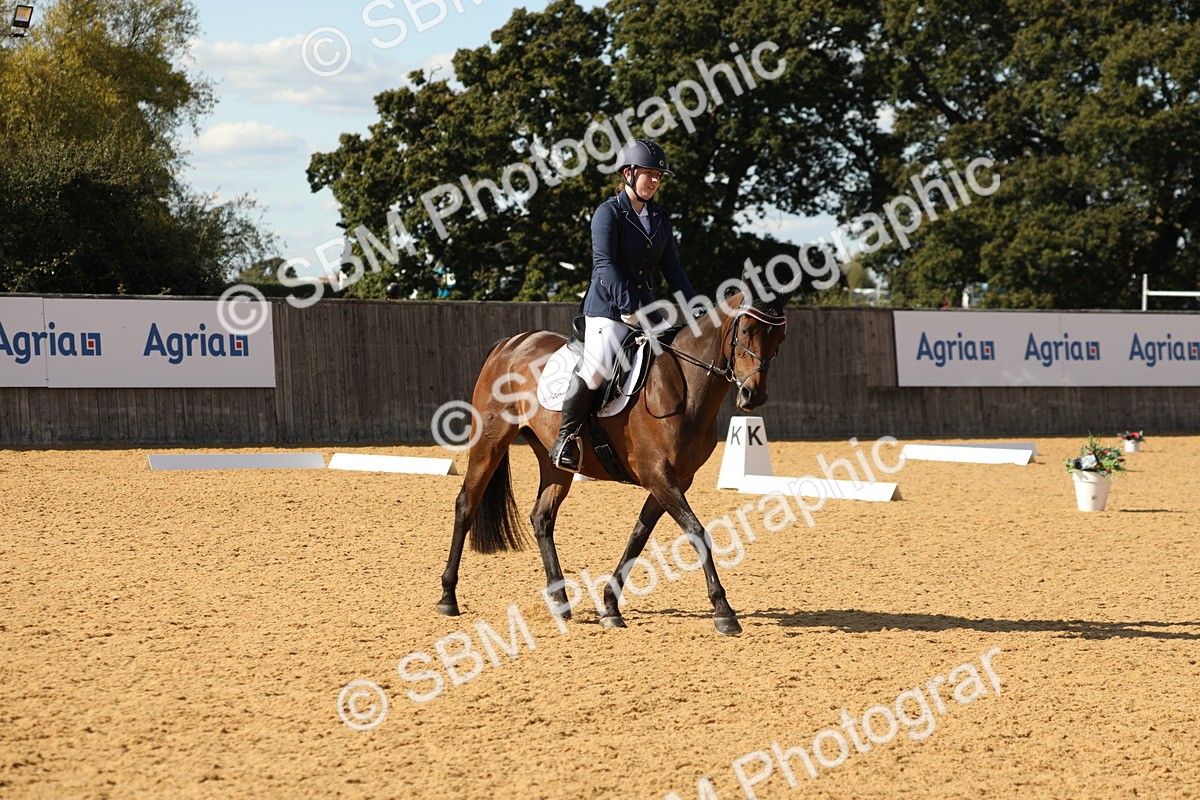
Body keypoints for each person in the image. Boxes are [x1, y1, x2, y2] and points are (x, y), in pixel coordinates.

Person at [548, 138, 699, 472]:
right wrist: (627, 305)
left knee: (676, 359)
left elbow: (672, 268)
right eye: (649, 174)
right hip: (608, 308)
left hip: (647, 309)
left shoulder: (660, 217)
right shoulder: (609, 213)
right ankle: (565, 438)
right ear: (629, 174)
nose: (655, 180)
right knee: (596, 369)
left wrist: (695, 306)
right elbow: (604, 264)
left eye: (658, 176)